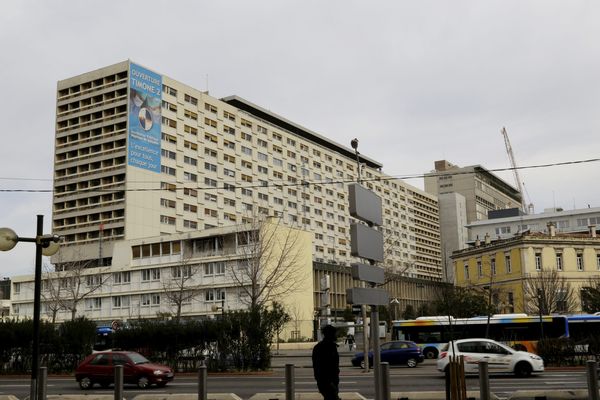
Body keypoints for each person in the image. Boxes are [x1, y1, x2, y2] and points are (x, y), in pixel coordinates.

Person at [312, 325, 340, 400]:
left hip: (331, 382)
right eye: (334, 333)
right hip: (327, 383)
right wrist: (330, 384)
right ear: (330, 334)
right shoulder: (323, 348)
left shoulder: (330, 347)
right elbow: (321, 368)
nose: (336, 335)